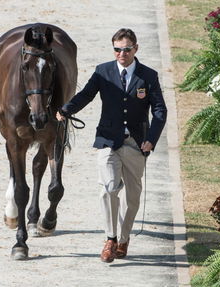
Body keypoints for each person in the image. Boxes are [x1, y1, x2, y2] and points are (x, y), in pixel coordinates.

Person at [56, 28, 167, 263]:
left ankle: (124, 238)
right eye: (117, 49)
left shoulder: (149, 76)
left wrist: (151, 139)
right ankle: (110, 239)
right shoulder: (103, 71)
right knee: (108, 189)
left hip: (137, 143)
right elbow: (86, 94)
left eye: (126, 49)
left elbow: (159, 110)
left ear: (135, 48)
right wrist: (67, 109)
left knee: (132, 196)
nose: (121, 54)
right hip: (108, 140)